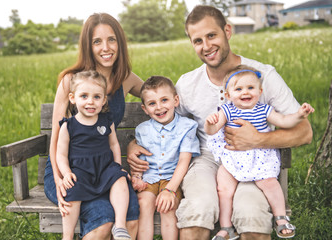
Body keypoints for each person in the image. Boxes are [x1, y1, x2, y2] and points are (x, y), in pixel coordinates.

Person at [127, 5, 313, 240]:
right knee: (196, 211)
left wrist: (258, 139)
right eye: (197, 41)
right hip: (206, 160)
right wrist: (134, 143)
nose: (206, 46)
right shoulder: (187, 84)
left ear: (227, 30)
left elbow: (305, 132)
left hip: (253, 162)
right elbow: (166, 125)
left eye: (211, 35)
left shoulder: (262, 76)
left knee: (251, 217)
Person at [44, 13, 144, 240]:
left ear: (120, 42)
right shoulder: (71, 80)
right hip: (70, 169)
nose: (105, 47)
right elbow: (56, 137)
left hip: (104, 168)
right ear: (88, 46)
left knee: (130, 219)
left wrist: (135, 142)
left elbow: (158, 97)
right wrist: (60, 178)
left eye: (111, 39)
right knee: (102, 222)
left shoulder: (125, 78)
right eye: (97, 41)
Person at [204, 65, 314, 239]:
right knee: (223, 188)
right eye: (238, 89)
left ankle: (281, 218)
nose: (245, 92)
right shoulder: (227, 110)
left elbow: (284, 121)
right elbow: (212, 130)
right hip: (233, 158)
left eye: (250, 88)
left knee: (270, 183)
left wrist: (299, 115)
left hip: (259, 156)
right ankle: (226, 227)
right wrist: (210, 123)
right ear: (228, 95)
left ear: (260, 91)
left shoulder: (264, 110)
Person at [57, 70, 133, 240]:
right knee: (71, 190)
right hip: (81, 171)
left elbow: (113, 144)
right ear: (72, 98)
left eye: (97, 97)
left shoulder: (106, 121)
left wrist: (116, 166)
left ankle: (120, 226)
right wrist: (66, 173)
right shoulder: (68, 126)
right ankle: (67, 236)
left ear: (104, 100)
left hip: (105, 167)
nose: (90, 102)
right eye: (84, 96)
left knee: (120, 179)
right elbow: (60, 154)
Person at [131, 76, 200, 239]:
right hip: (150, 178)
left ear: (175, 100)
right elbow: (139, 159)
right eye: (152, 103)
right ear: (145, 109)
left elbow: (184, 160)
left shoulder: (187, 127)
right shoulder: (142, 130)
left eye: (164, 100)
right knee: (143, 203)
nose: (159, 107)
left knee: (167, 206)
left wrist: (170, 189)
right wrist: (137, 177)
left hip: (172, 179)